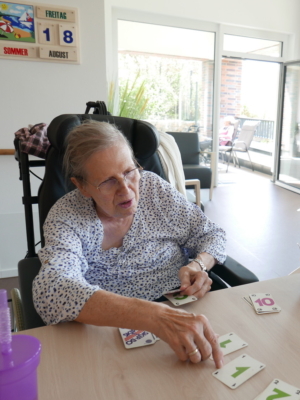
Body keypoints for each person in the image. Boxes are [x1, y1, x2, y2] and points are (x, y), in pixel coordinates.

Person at [33, 120, 226, 368]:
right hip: (112, 339)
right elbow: (52, 290)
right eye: (108, 181)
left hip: (189, 312)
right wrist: (158, 317)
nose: (127, 190)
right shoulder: (67, 217)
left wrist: (200, 265)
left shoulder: (153, 189)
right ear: (81, 186)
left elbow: (211, 233)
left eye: (129, 171)